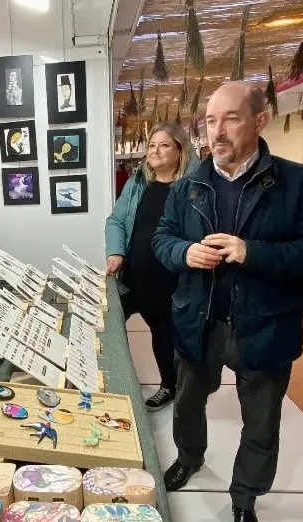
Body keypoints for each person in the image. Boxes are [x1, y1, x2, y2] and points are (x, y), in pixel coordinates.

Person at [152, 82, 303, 522]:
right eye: (210, 120)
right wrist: (184, 253)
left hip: (266, 323)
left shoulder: (299, 183)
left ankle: (245, 498)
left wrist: (252, 252)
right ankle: (189, 457)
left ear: (259, 121)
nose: (217, 131)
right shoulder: (189, 185)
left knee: (260, 421)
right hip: (199, 319)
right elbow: (163, 239)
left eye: (230, 118)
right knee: (188, 403)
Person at [105, 123, 201, 412]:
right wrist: (115, 252)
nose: (155, 151)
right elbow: (116, 221)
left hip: (170, 278)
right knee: (108, 323)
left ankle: (169, 386)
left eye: (164, 145)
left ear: (180, 149)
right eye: (151, 145)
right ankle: (108, 383)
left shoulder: (192, 187)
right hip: (134, 273)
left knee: (163, 332)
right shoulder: (138, 182)